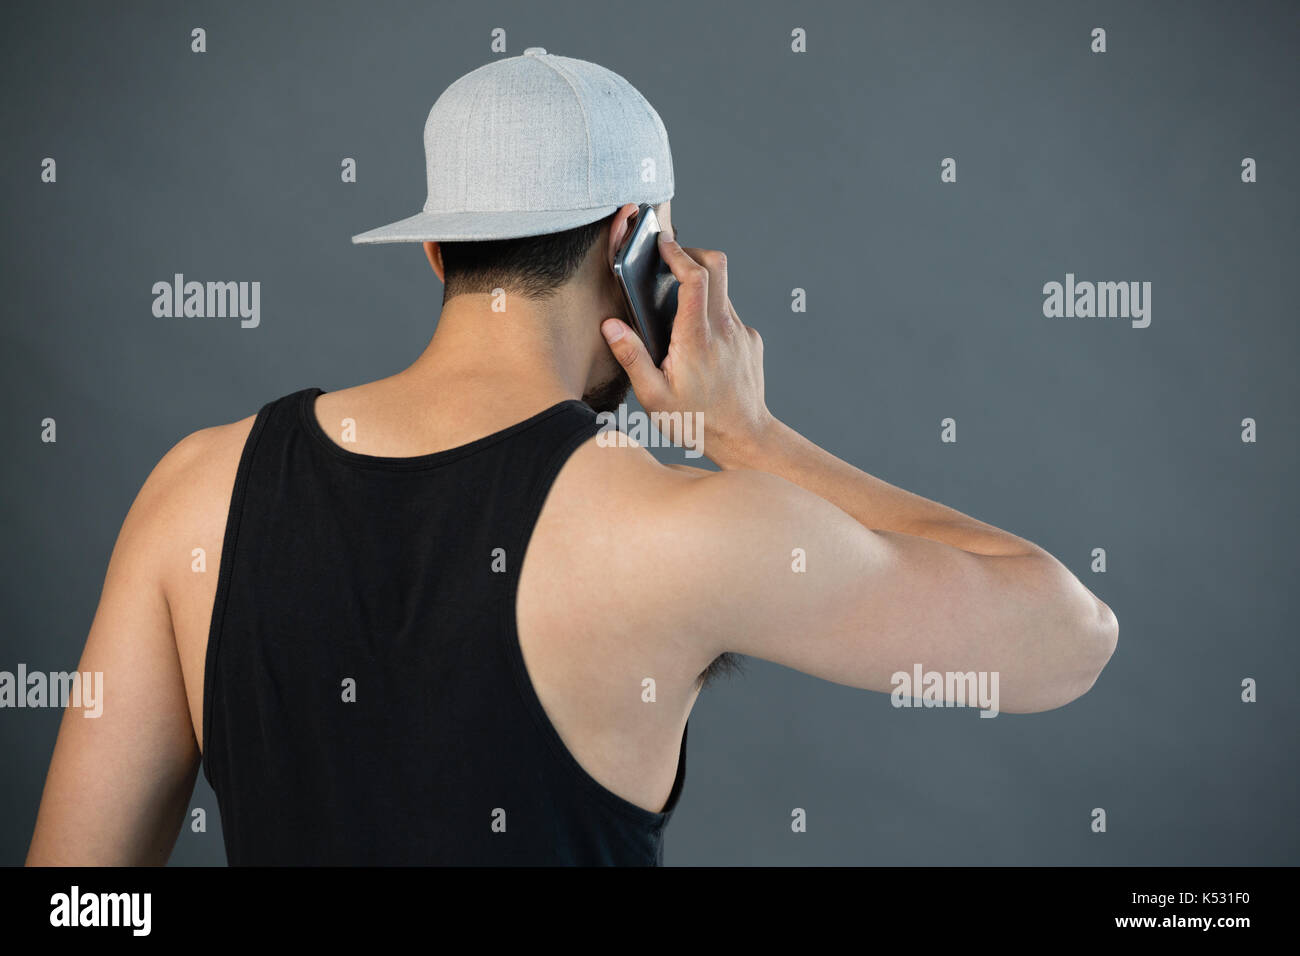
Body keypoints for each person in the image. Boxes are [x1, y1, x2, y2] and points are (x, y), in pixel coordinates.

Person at [26, 50, 1116, 866]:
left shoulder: (194, 490)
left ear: (439, 248)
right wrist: (748, 437)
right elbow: (1068, 638)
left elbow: (77, 894)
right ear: (634, 243)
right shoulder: (680, 531)